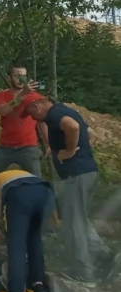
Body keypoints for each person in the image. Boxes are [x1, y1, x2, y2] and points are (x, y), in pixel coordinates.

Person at [25, 96, 116, 281]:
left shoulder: (54, 114)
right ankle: (105, 255)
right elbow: (92, 135)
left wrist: (69, 151)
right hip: (88, 172)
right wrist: (80, 151)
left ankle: (83, 272)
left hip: (76, 176)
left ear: (37, 106)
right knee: (80, 218)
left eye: (33, 115)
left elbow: (72, 127)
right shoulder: (68, 110)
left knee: (72, 224)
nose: (35, 120)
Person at [0, 169, 53, 292]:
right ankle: (38, 284)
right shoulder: (16, 175)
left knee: (17, 247)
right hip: (45, 192)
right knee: (34, 238)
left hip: (20, 195)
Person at [0, 63, 49, 204]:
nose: (20, 79)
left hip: (28, 147)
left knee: (37, 183)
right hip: (5, 147)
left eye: (23, 76)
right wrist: (23, 95)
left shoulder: (35, 97)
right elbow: (4, 111)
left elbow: (42, 121)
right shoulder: (2, 96)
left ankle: (40, 217)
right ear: (9, 77)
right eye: (17, 76)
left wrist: (48, 144)